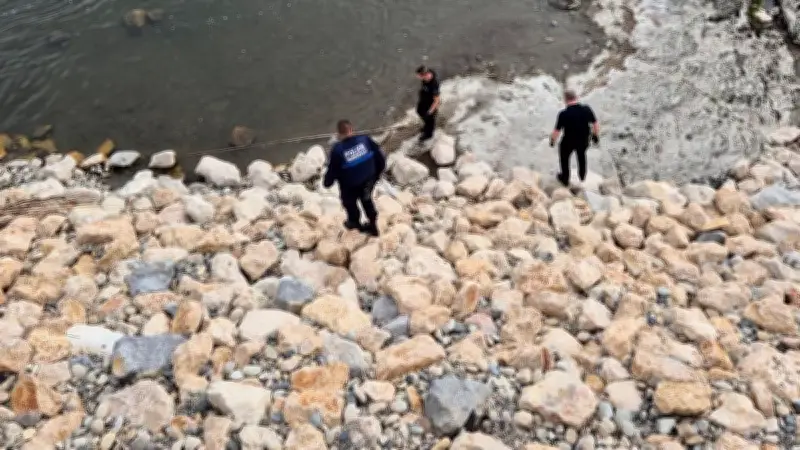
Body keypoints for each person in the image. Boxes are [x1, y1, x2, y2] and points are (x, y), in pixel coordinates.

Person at [323, 119, 386, 236]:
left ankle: (354, 223)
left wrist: (327, 182)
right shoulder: (365, 140)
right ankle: (373, 226)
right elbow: (380, 157)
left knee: (349, 202)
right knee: (367, 200)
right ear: (351, 130)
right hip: (369, 181)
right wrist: (376, 175)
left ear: (339, 134)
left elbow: (333, 171)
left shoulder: (338, 150)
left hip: (351, 186)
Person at [549, 89, 599, 186]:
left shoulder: (563, 114)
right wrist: (595, 135)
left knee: (564, 157)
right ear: (576, 97)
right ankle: (582, 175)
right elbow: (595, 124)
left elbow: (557, 131)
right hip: (583, 139)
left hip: (569, 141)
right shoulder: (586, 109)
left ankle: (565, 178)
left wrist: (552, 140)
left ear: (566, 100)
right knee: (581, 154)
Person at [416, 65, 441, 143]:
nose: (418, 77)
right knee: (419, 111)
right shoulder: (425, 78)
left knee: (429, 120)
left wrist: (430, 112)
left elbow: (436, 100)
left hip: (430, 105)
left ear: (423, 75)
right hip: (424, 101)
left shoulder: (433, 85)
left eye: (419, 76)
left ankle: (428, 134)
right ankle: (426, 126)